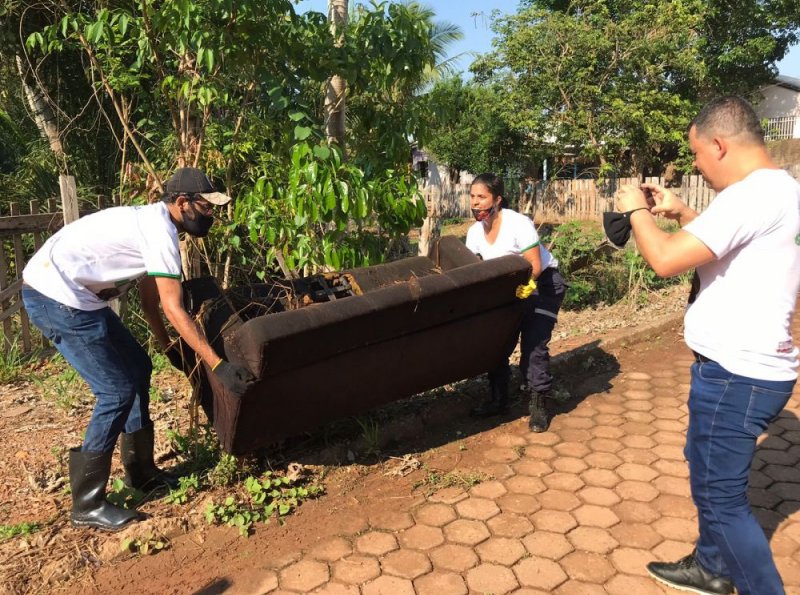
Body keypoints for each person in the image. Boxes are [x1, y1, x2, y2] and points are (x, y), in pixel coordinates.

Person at [616, 96, 800, 595]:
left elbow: (665, 260)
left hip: (736, 374)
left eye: (697, 154)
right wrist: (682, 211)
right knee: (703, 466)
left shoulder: (750, 197)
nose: (696, 164)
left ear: (718, 144)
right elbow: (728, 248)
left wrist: (636, 211)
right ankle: (711, 566)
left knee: (721, 500)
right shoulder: (778, 190)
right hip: (750, 368)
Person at [21, 167, 257, 532]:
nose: (211, 215)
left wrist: (168, 348)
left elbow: (151, 302)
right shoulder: (160, 232)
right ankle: (87, 503)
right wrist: (218, 364)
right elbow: (173, 307)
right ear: (182, 203)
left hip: (77, 295)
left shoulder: (156, 226)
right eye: (207, 208)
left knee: (138, 368)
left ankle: (141, 472)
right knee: (114, 390)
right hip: (56, 297)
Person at [465, 172, 566, 432]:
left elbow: (535, 264)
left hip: (541, 284)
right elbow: (476, 271)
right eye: (473, 196)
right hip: (506, 289)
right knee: (496, 343)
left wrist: (528, 285)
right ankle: (499, 400)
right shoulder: (474, 233)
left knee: (533, 344)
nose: (475, 202)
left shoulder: (517, 223)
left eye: (482, 197)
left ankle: (538, 406)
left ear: (497, 199)